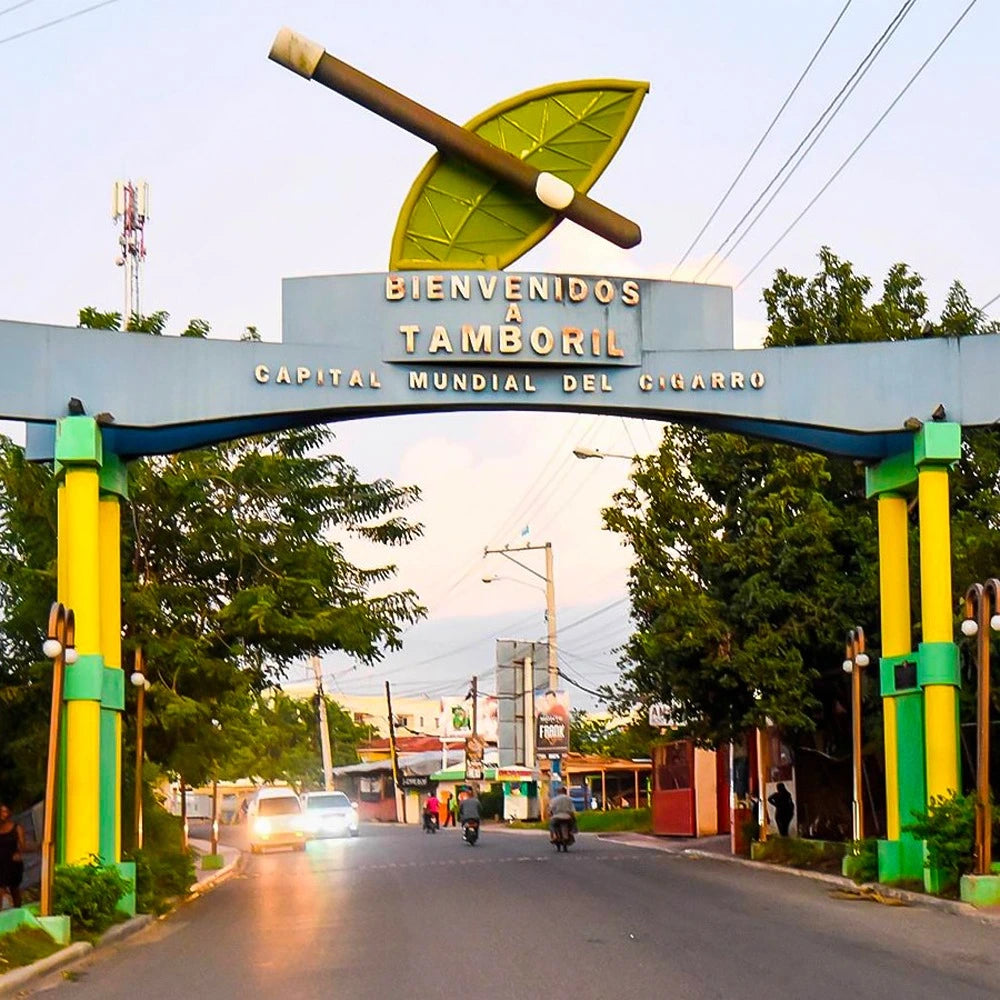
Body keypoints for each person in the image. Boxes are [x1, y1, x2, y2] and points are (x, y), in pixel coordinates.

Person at [0, 804, 27, 910]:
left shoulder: (17, 827)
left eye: (5, 811)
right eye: (1, 811)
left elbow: (23, 845)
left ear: (9, 813)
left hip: (12, 863)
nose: (3, 814)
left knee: (14, 890)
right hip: (1, 863)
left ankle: (18, 911)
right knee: (0, 890)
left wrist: (19, 853)